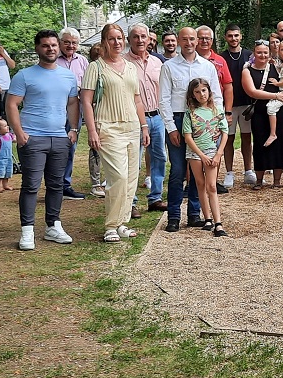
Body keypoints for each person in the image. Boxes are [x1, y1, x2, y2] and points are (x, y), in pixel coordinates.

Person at [6, 29, 80, 251]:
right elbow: (11, 105)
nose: (51, 49)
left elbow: (73, 103)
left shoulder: (68, 75)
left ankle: (53, 226)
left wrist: (74, 129)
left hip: (59, 137)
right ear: (38, 48)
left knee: (56, 185)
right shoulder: (24, 75)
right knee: (31, 185)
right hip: (33, 138)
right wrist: (19, 133)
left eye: (54, 45)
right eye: (46, 45)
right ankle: (27, 231)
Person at [81, 23, 149, 243]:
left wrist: (144, 126)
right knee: (117, 177)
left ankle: (122, 222)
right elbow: (86, 100)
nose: (117, 43)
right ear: (104, 42)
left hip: (131, 127)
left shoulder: (130, 67)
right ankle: (111, 225)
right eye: (112, 39)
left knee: (130, 178)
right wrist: (91, 130)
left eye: (120, 38)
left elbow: (137, 99)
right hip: (108, 128)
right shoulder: (96, 67)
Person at [158, 27, 223, 232]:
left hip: (204, 121)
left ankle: (196, 213)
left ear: (197, 41)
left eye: (192, 39)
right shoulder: (168, 67)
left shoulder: (207, 66)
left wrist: (217, 122)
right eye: (184, 39)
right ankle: (174, 216)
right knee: (178, 170)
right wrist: (170, 127)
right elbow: (164, 99)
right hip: (178, 120)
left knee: (199, 170)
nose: (188, 43)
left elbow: (218, 97)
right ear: (178, 41)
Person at [240, 41, 283, 187]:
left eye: (265, 52)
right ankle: (259, 180)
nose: (262, 55)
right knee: (260, 144)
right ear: (254, 53)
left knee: (280, 143)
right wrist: (275, 96)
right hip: (260, 111)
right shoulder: (247, 71)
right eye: (259, 52)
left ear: (269, 53)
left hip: (281, 110)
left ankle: (277, 181)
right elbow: (252, 92)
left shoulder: (276, 67)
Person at [125, 24, 166, 215]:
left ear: (150, 40)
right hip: (134, 119)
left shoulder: (158, 63)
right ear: (129, 40)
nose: (140, 40)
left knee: (159, 157)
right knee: (134, 160)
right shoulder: (123, 63)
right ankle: (130, 203)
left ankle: (155, 198)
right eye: (136, 37)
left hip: (157, 117)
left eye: (144, 37)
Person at [183, 78, 229, 236]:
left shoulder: (217, 110)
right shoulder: (190, 113)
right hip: (195, 153)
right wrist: (200, 155)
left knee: (212, 186)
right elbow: (188, 136)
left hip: (211, 151)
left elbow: (225, 133)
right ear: (192, 94)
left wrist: (218, 153)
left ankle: (218, 222)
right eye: (197, 91)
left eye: (204, 90)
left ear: (209, 91)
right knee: (200, 184)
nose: (201, 94)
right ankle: (207, 218)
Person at [56, 27, 94, 200]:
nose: (70, 46)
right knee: (54, 147)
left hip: (75, 111)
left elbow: (88, 85)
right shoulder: (53, 60)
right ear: (59, 42)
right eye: (67, 42)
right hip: (56, 109)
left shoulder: (83, 61)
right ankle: (54, 185)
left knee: (70, 147)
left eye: (74, 43)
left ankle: (65, 185)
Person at [196, 25, 234, 192]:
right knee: (195, 147)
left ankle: (214, 181)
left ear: (212, 40)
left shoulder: (220, 61)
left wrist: (227, 112)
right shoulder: (191, 59)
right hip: (196, 111)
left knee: (215, 145)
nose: (204, 41)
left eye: (208, 38)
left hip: (214, 111)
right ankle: (194, 183)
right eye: (201, 38)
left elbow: (228, 86)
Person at [220, 24, 256, 188]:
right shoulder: (221, 58)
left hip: (247, 104)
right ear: (225, 37)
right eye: (230, 36)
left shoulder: (250, 56)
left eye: (236, 35)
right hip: (228, 105)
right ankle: (229, 172)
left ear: (240, 36)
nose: (233, 39)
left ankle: (248, 170)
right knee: (229, 139)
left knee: (247, 138)